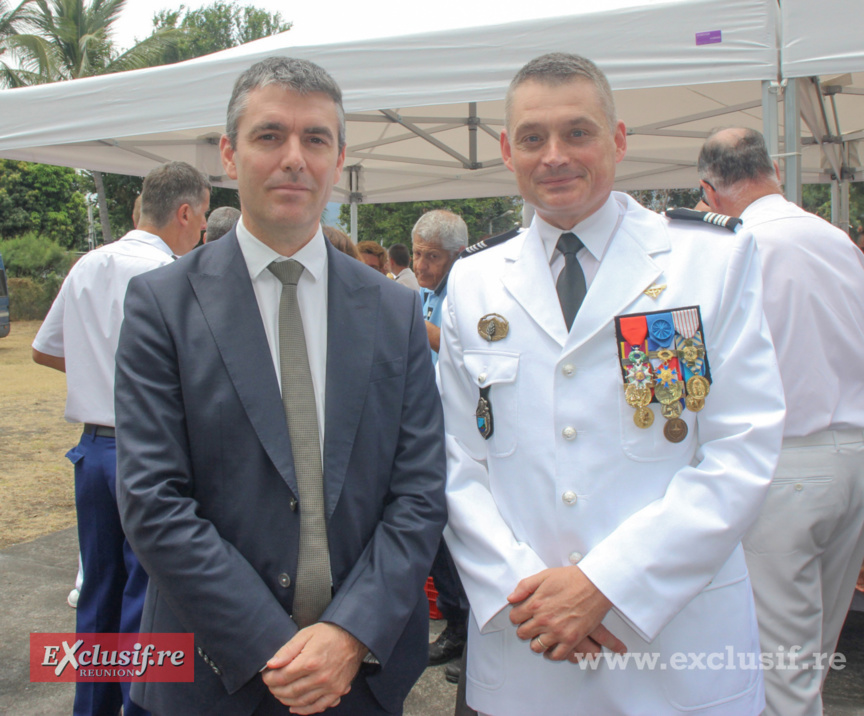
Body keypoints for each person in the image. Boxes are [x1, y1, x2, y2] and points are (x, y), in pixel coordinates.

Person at [437, 53, 786, 716]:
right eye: (533, 138)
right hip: (528, 643)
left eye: (579, 132)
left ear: (619, 139)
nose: (555, 155)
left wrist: (608, 584)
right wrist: (528, 593)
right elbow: (457, 460)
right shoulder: (475, 280)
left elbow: (743, 446)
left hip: (674, 646)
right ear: (507, 150)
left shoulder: (707, 261)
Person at [114, 56, 447, 716]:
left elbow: (419, 491)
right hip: (214, 675)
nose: (294, 157)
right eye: (269, 136)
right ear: (229, 155)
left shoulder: (393, 310)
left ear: (338, 158)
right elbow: (154, 498)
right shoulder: (161, 304)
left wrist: (349, 634)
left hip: (362, 677)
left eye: (315, 139)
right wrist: (272, 645)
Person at [32, 160, 210, 716]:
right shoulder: (173, 276)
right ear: (185, 212)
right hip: (150, 450)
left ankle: (92, 707)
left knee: (99, 595)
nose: (203, 230)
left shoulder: (89, 264)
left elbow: (44, 348)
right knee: (149, 599)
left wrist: (97, 376)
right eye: (203, 218)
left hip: (95, 450)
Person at [698, 127, 864, 716]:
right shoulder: (834, 237)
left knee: (779, 673)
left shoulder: (735, 245)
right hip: (851, 457)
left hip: (786, 464)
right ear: (769, 168)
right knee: (811, 657)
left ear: (708, 189)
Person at [412, 210, 467, 363]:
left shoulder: (467, 292)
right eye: (417, 253)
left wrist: (408, 320)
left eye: (433, 256)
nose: (420, 266)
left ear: (458, 254)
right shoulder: (429, 285)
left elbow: (466, 353)